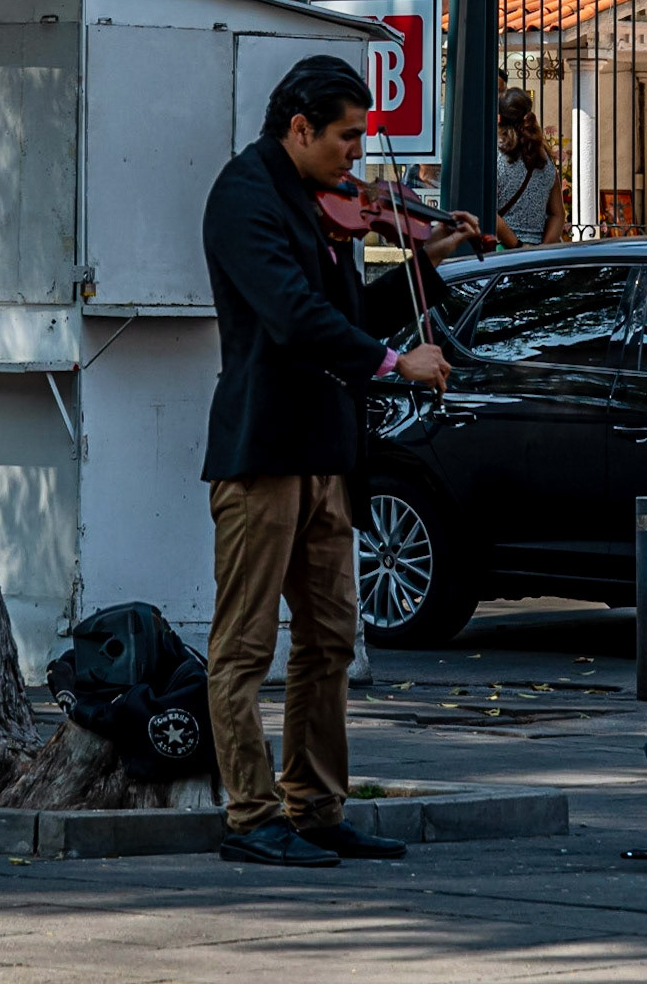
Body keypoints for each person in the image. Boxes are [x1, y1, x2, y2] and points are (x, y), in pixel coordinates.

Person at [201, 56, 481, 867]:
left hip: (326, 449)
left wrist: (429, 257)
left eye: (361, 139)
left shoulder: (333, 211)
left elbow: (354, 313)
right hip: (262, 450)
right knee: (245, 644)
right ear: (299, 128)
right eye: (347, 138)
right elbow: (294, 319)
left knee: (329, 637)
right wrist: (398, 367)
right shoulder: (244, 199)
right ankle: (250, 815)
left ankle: (317, 806)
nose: (358, 157)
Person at [495, 88, 566, 249]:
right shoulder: (544, 159)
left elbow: (490, 214)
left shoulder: (496, 157)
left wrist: (519, 246)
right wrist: (542, 250)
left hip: (503, 252)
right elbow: (558, 214)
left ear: (499, 118)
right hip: (536, 258)